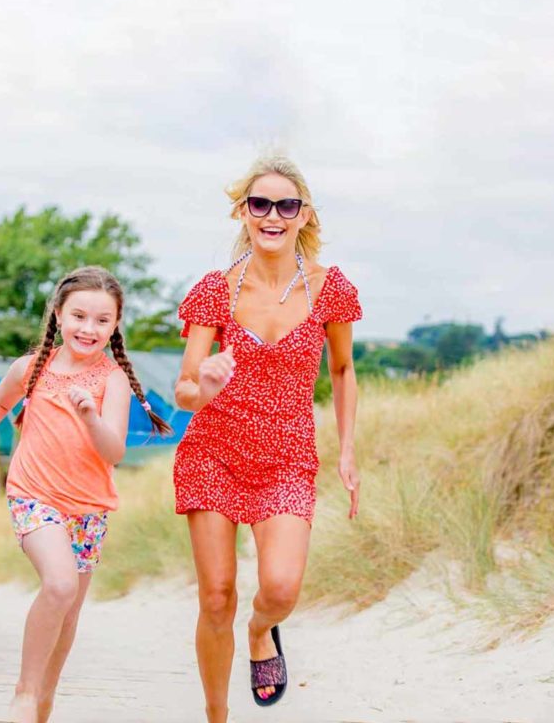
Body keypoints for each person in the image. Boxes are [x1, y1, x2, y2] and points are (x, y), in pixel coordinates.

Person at [172, 155, 362, 719]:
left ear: (304, 216)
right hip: (213, 453)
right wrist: (202, 386)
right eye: (260, 204)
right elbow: (185, 388)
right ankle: (216, 715)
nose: (272, 215)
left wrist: (347, 449)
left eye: (286, 205)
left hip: (286, 458)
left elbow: (344, 371)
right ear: (243, 212)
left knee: (280, 589)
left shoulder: (331, 290)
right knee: (215, 596)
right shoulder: (215, 291)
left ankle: (261, 633)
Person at [0, 266, 171, 723]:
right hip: (33, 496)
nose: (89, 329)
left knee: (68, 612)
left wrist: (90, 417)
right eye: (79, 316)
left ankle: (44, 699)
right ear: (59, 315)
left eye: (102, 320)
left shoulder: (113, 380)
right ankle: (25, 692)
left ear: (116, 324)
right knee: (60, 584)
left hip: (88, 510)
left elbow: (114, 452)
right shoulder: (32, 368)